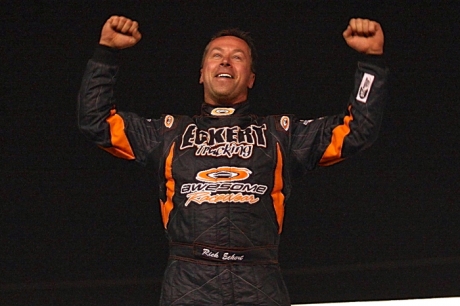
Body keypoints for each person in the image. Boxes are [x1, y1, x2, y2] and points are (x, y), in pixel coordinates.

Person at [78, 15, 388, 306]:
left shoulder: (280, 133)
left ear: (251, 78)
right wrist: (106, 54)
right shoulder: (168, 133)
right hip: (188, 281)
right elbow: (96, 121)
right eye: (216, 54)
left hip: (259, 281)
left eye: (237, 56)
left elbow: (356, 130)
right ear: (201, 74)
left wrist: (371, 60)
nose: (226, 60)